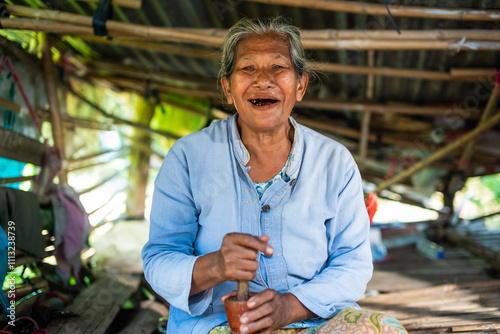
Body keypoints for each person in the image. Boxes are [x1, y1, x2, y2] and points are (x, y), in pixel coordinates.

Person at [142, 17, 407, 334]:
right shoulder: (188, 157)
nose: (263, 80)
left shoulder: (335, 162)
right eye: (247, 69)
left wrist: (287, 308)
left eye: (278, 68)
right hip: (217, 323)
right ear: (228, 88)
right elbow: (159, 260)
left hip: (313, 319)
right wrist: (215, 266)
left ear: (300, 86)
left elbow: (353, 264)